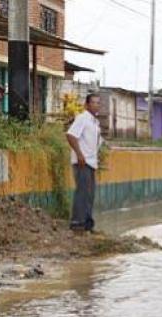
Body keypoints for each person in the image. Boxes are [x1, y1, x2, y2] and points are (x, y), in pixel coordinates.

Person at [66, 93, 103, 232]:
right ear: (87, 105)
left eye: (98, 103)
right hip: (83, 162)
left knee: (90, 193)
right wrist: (79, 154)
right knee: (82, 192)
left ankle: (87, 223)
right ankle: (77, 223)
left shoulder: (95, 122)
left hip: (91, 162)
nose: (96, 105)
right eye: (93, 102)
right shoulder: (82, 118)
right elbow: (70, 135)